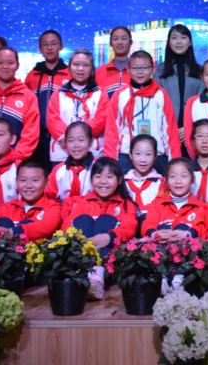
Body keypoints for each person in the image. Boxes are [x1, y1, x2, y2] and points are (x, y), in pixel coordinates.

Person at [62, 157, 138, 300]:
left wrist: (109, 238)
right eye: (98, 176)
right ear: (91, 180)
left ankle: (97, 276)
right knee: (83, 219)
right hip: (83, 257)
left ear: (119, 180)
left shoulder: (125, 204)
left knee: (105, 219)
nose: (103, 181)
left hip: (110, 263)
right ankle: (83, 273)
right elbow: (67, 225)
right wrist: (75, 239)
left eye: (109, 177)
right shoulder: (83, 203)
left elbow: (129, 228)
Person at [104, 50, 181, 174]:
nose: (140, 72)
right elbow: (112, 130)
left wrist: (175, 163)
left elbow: (170, 130)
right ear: (128, 70)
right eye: (135, 68)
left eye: (145, 68)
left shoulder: (161, 94)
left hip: (158, 155)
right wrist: (109, 162)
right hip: (126, 155)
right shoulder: (120, 94)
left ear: (153, 70)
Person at [46, 48, 108, 167]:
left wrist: (79, 137)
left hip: (92, 152)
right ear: (69, 67)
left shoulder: (100, 93)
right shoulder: (58, 93)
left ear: (92, 69)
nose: (80, 68)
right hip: (61, 152)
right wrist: (70, 139)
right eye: (76, 64)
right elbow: (53, 120)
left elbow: (101, 119)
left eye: (86, 65)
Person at [0, 160, 62, 241]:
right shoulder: (10, 206)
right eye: (23, 180)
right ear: (16, 182)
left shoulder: (52, 206)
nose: (29, 185)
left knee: (28, 222)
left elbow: (48, 226)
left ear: (46, 183)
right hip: (5, 247)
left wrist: (12, 232)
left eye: (35, 180)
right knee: (2, 221)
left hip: (35, 248)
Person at [25, 30, 71, 168]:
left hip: (62, 137)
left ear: (61, 46)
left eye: (53, 44)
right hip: (36, 137)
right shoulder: (32, 75)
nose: (49, 48)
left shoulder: (70, 74)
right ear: (40, 48)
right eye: (45, 44)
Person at [155, 24, 203, 148]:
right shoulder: (159, 70)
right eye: (174, 38)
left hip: (193, 131)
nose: (179, 41)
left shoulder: (200, 70)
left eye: (183, 37)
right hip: (165, 130)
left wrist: (189, 127)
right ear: (169, 42)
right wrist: (170, 127)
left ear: (190, 42)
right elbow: (156, 102)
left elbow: (202, 104)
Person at [143, 158, 206, 239]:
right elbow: (148, 223)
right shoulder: (157, 204)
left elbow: (201, 227)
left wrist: (186, 235)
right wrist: (154, 234)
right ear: (166, 180)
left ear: (193, 180)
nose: (178, 181)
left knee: (182, 227)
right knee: (163, 228)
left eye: (184, 176)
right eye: (172, 176)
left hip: (187, 246)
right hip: (161, 245)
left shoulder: (200, 206)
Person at [46, 122, 96, 219]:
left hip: (91, 216)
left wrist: (71, 204)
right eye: (71, 141)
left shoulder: (100, 168)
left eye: (81, 140)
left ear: (91, 142)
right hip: (62, 216)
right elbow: (49, 198)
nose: (76, 145)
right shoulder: (58, 170)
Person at [123, 135, 165, 215]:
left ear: (155, 156)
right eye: (138, 154)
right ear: (130, 155)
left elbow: (161, 206)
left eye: (148, 154)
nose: (143, 160)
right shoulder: (122, 183)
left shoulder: (161, 183)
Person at [96, 26, 134, 99]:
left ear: (130, 43)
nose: (119, 42)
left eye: (124, 38)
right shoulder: (100, 71)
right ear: (110, 43)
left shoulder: (137, 71)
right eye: (115, 39)